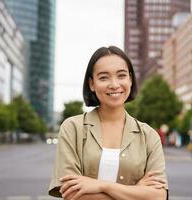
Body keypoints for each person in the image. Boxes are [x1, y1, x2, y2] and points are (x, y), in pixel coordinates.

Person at [48, 46, 168, 200]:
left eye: (121, 75)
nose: (114, 84)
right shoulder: (73, 128)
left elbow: (159, 196)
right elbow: (71, 193)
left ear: (130, 80)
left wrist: (101, 185)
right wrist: (136, 192)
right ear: (92, 84)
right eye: (103, 77)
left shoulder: (149, 135)